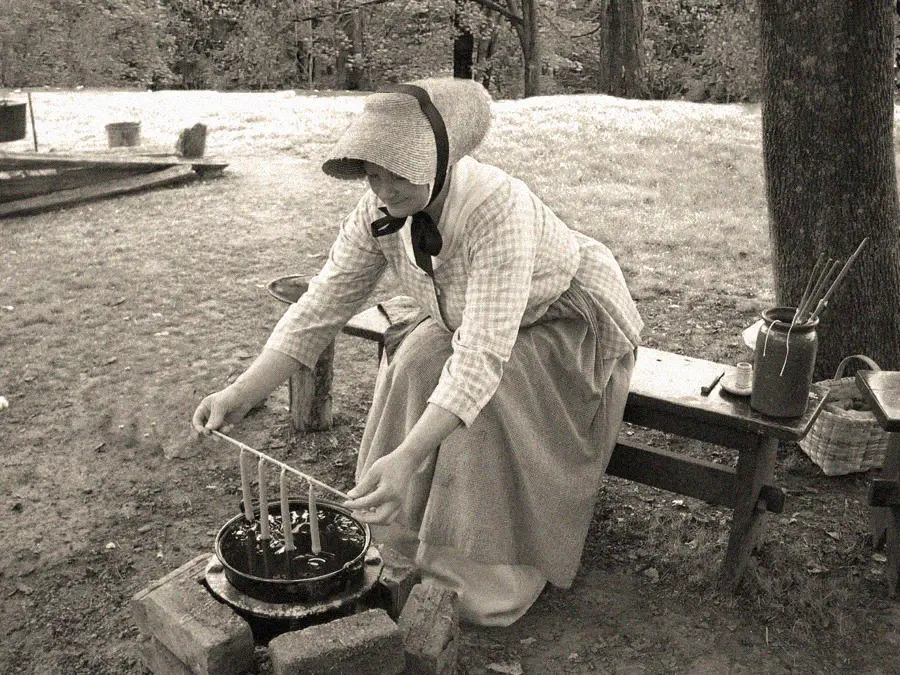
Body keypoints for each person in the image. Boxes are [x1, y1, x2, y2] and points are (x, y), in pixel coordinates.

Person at [192, 77, 643, 626]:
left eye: (397, 173)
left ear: (442, 160)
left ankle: (481, 577)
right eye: (373, 174)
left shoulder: (496, 207)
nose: (383, 190)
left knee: (484, 406)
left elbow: (479, 360)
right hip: (470, 318)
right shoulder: (376, 211)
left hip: (563, 319)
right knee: (413, 363)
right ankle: (393, 537)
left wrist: (410, 456)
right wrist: (241, 394)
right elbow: (320, 309)